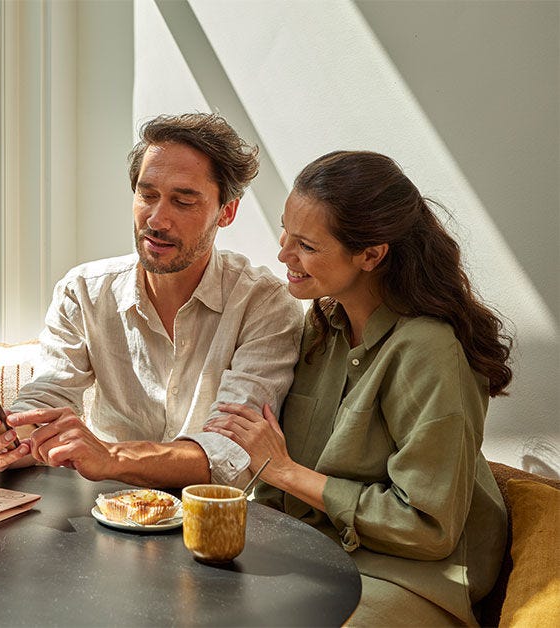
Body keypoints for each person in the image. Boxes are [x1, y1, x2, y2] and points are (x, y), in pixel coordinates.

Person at [205, 150, 510, 625]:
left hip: (413, 576)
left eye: (306, 244)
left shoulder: (428, 351)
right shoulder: (323, 324)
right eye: (286, 230)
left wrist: (283, 472)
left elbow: (429, 530)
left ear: (371, 254)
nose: (284, 252)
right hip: (318, 553)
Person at [0, 112, 304, 488]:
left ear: (227, 212)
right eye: (147, 195)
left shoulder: (266, 304)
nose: (157, 220)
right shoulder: (84, 291)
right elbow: (50, 396)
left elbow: (232, 450)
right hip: (106, 514)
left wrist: (111, 456)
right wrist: (6, 440)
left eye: (183, 202)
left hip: (215, 522)